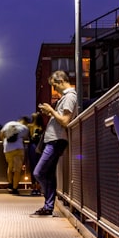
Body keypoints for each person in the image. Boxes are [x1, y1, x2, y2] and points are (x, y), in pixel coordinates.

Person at [31, 70, 78, 216]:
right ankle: (48, 206)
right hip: (54, 140)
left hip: (56, 141)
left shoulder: (70, 97)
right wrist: (51, 112)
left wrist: (51, 111)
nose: (54, 89)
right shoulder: (66, 97)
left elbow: (65, 120)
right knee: (49, 174)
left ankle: (48, 202)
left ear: (61, 82)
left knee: (39, 172)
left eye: (54, 86)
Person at [0, 117, 30, 195]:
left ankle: (10, 184)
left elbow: (1, 135)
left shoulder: (9, 123)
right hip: (18, 149)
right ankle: (15, 188)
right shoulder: (24, 128)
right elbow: (25, 138)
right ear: (25, 122)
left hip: (7, 149)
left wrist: (5, 142)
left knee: (10, 166)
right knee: (17, 170)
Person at [22, 113, 43, 195]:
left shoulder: (29, 127)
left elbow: (25, 137)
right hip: (40, 148)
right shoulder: (42, 127)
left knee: (33, 167)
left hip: (32, 147)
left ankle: (33, 188)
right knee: (40, 167)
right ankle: (39, 187)